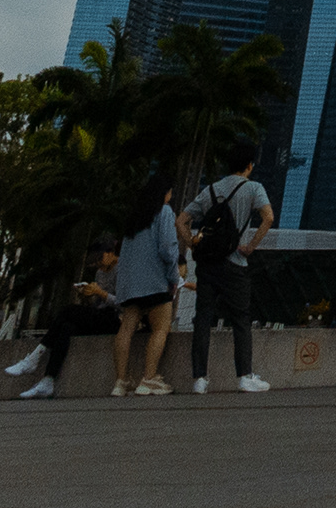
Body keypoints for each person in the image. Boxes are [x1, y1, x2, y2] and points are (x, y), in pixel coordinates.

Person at [182, 136, 276, 394]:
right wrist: (249, 247)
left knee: (202, 317)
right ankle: (245, 375)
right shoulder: (254, 188)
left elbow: (182, 220)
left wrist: (192, 244)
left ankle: (199, 379)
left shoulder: (210, 190)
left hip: (208, 264)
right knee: (240, 319)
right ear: (249, 165)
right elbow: (268, 218)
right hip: (235, 263)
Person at [3, 246, 121, 399]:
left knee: (67, 310)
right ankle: (48, 380)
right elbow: (98, 303)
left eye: (100, 260)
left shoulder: (122, 270)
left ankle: (34, 357)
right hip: (100, 314)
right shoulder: (100, 273)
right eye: (96, 263)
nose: (100, 266)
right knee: (66, 327)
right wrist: (88, 294)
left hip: (116, 318)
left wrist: (101, 293)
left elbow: (123, 303)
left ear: (110, 253)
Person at [107, 179, 182, 396]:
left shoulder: (134, 218)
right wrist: (173, 277)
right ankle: (149, 378)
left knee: (126, 328)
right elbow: (168, 249)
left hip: (130, 283)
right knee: (160, 328)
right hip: (155, 281)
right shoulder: (164, 212)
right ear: (165, 193)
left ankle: (121, 381)